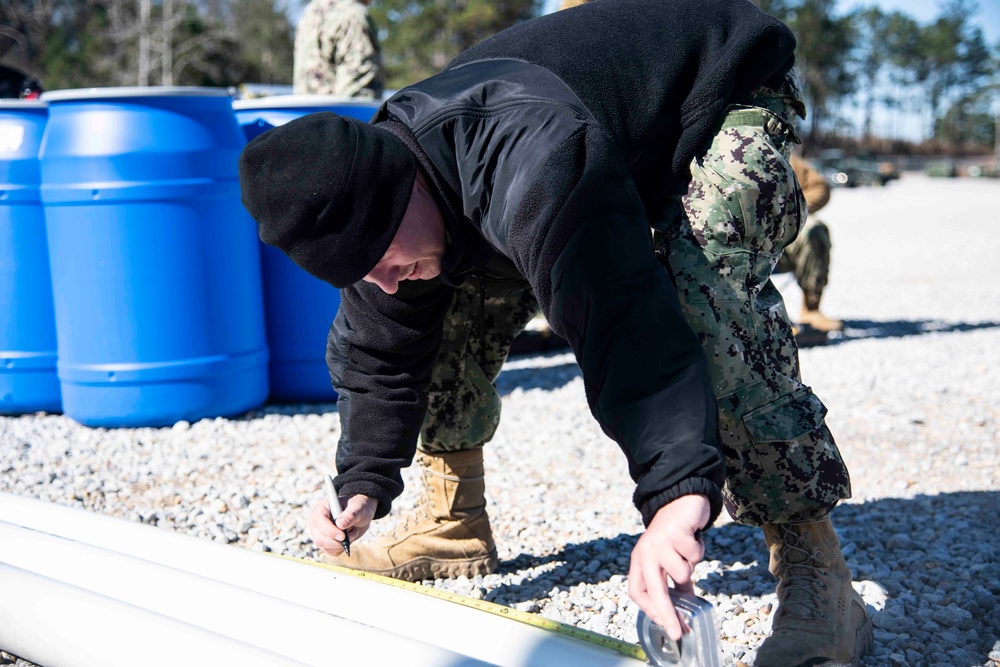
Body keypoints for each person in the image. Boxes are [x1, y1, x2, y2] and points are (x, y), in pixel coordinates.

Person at [239, 1, 871, 663]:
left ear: (404, 188)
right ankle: (452, 520)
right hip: (586, 133)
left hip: (715, 90)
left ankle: (815, 569)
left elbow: (623, 320)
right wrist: (362, 477)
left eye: (384, 258)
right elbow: (377, 350)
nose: (387, 281)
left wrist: (677, 495)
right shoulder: (374, 200)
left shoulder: (532, 161)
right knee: (430, 291)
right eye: (366, 272)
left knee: (704, 293)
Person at [777, 153, 843, 332]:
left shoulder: (776, 151)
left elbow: (819, 187)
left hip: (776, 237)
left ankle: (811, 309)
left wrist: (787, 214)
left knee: (814, 230)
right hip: (730, 239)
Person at [293, 0, 383, 99]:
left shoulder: (311, 11)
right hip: (340, 110)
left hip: (305, 111)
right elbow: (360, 93)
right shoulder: (354, 16)